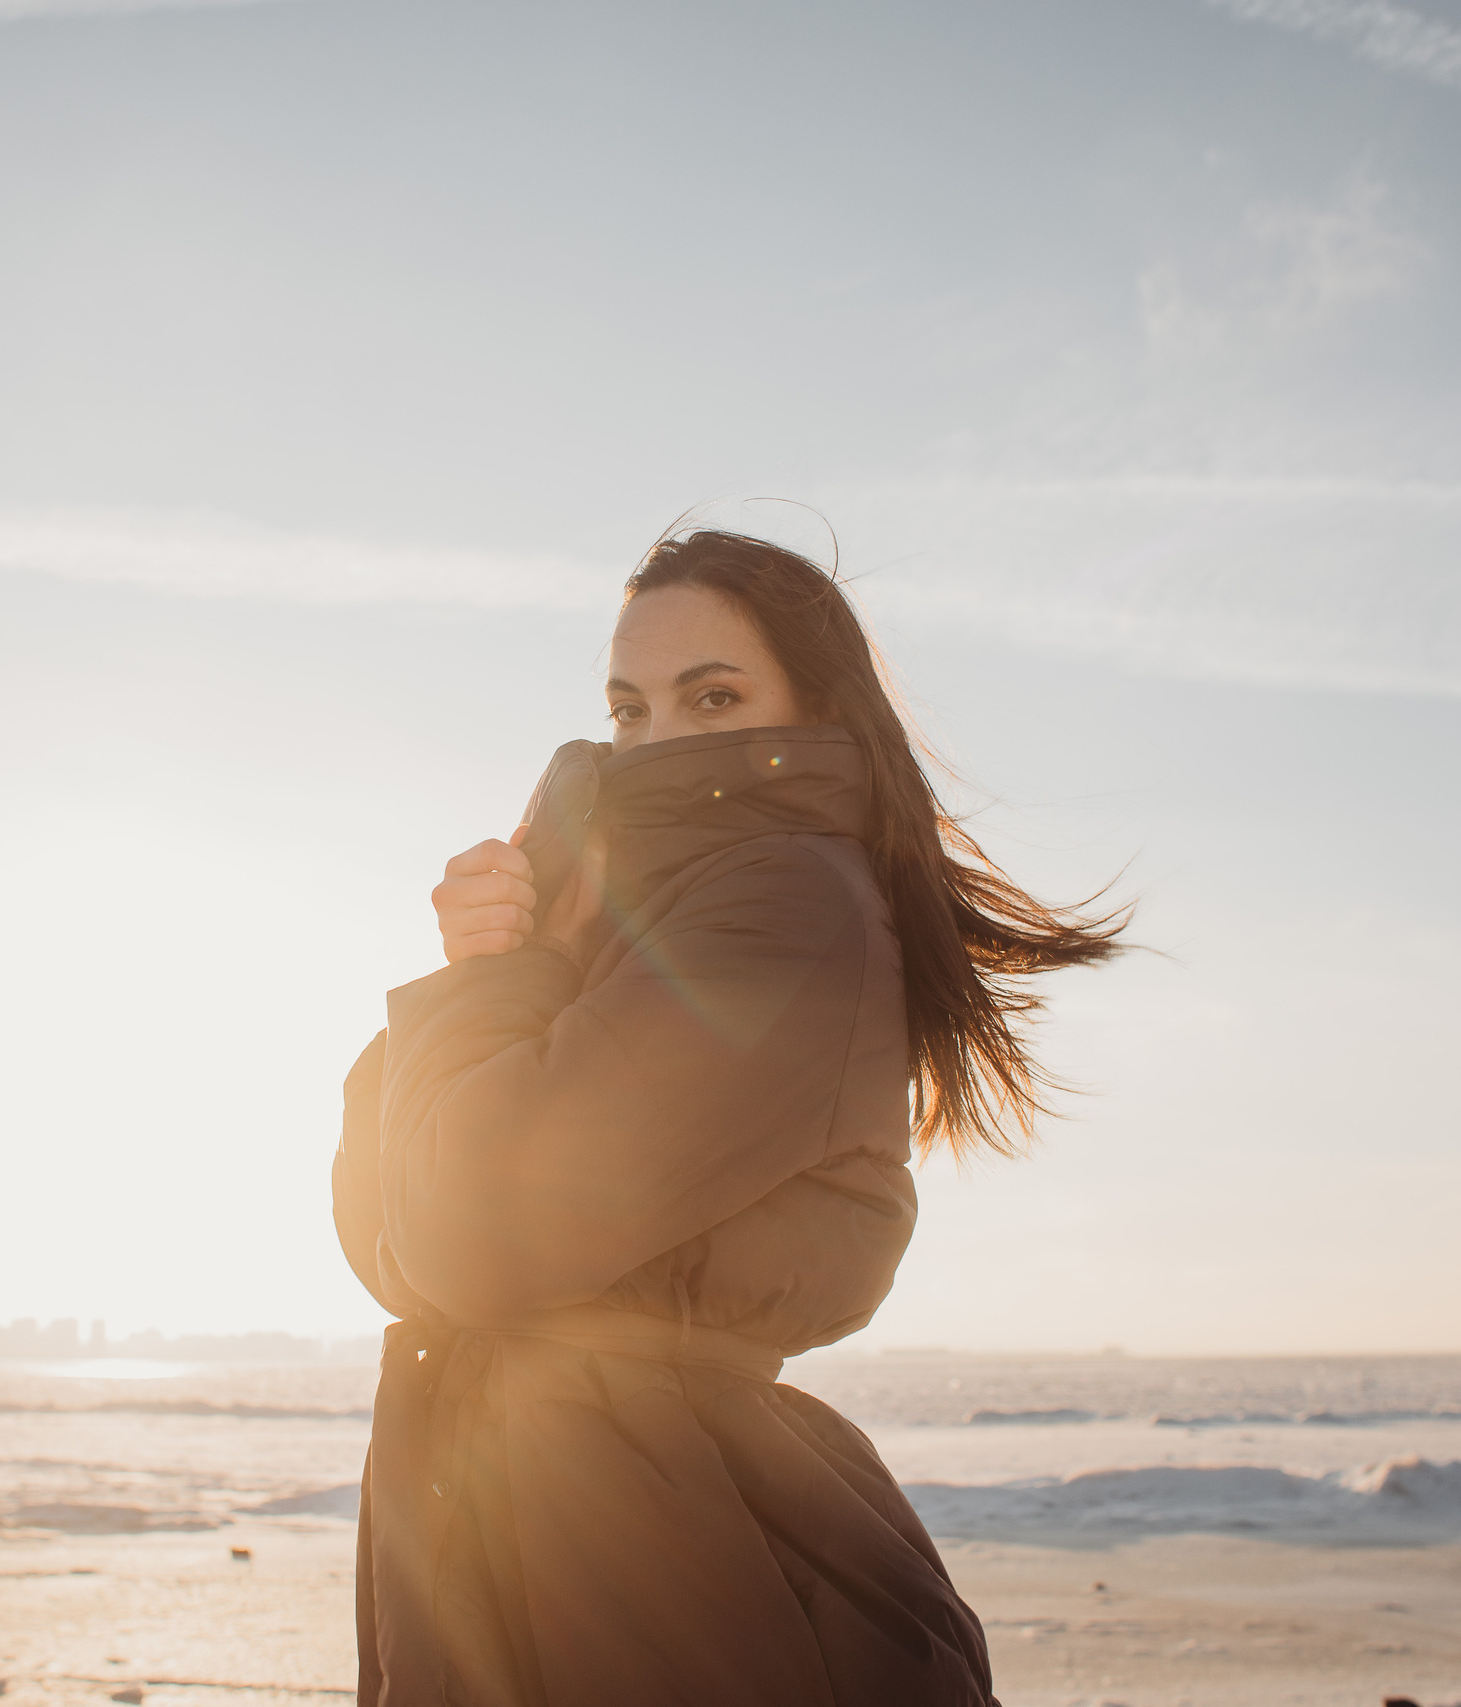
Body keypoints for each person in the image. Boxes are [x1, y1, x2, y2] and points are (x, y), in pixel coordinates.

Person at [331, 528, 1126, 1706]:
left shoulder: (786, 905)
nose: (657, 742)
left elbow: (461, 1235)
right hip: (516, 1524)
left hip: (645, 1543)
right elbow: (392, 1251)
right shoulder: (611, 919)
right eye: (630, 708)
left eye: (712, 697)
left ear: (813, 711)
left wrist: (488, 974)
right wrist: (500, 959)